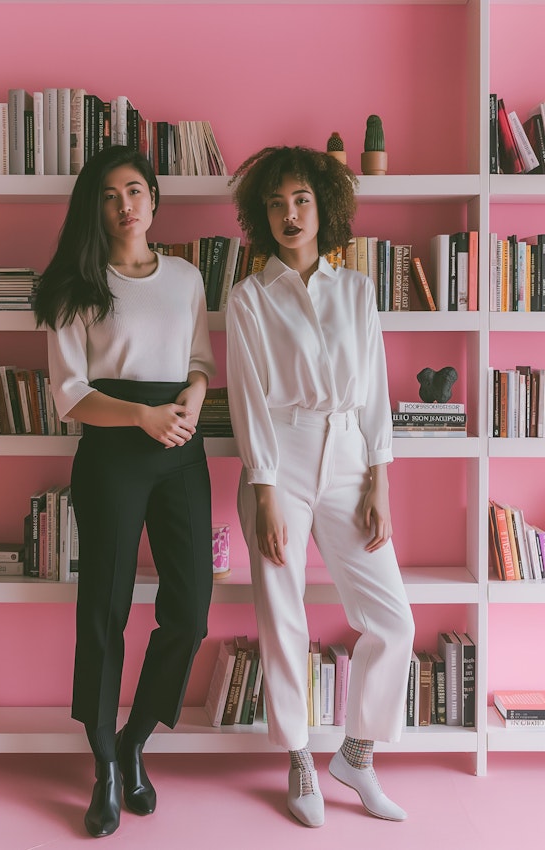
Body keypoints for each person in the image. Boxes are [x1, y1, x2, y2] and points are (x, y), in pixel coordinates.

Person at [226, 146, 415, 828]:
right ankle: (300, 756)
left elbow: (375, 399)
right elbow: (248, 400)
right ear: (261, 214)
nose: (289, 214)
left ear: (323, 206)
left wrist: (379, 483)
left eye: (301, 199)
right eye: (275, 203)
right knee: (283, 615)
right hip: (281, 456)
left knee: (393, 619)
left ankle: (356, 755)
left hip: (350, 459)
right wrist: (266, 491)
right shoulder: (249, 298)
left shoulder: (357, 290)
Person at [33, 145, 215, 838]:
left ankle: (137, 737)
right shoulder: (74, 285)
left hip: (181, 448)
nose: (125, 205)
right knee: (104, 613)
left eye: (134, 190)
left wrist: (193, 399)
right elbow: (70, 395)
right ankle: (105, 765)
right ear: (95, 208)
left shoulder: (187, 277)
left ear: (154, 197)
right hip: (112, 451)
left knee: (191, 610)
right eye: (109, 195)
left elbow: (200, 360)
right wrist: (140, 413)